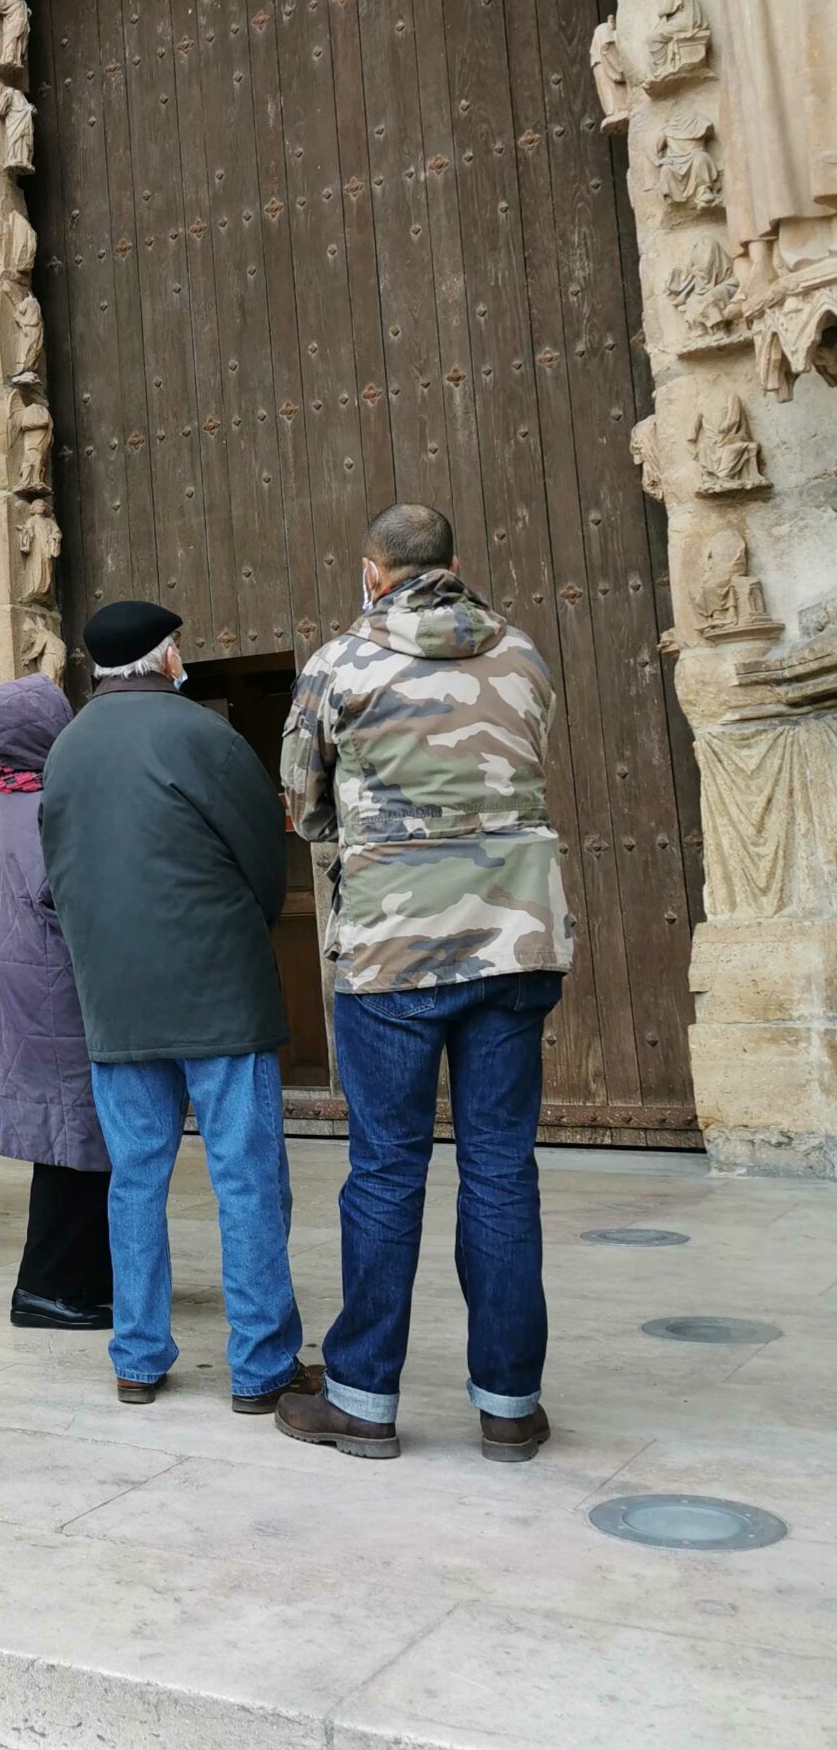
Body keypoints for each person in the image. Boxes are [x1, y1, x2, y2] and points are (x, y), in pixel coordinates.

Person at [275, 505, 574, 1464]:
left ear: (374, 572)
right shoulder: (522, 654)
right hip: (512, 938)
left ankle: (362, 1400)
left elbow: (302, 800)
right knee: (499, 1167)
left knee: (387, 1170)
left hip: (393, 951)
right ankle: (510, 1405)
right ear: (454, 563)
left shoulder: (340, 664)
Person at [41, 602, 312, 1411]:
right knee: (246, 1176)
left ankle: (138, 1357)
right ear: (164, 658)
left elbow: (57, 879)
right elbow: (266, 861)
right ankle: (262, 1368)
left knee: (134, 1178)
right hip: (218, 993)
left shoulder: (66, 749)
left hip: (117, 1004)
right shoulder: (204, 735)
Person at [0, 678, 111, 1330]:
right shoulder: (43, 806)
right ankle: (46, 1289)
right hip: (53, 996)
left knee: (72, 1148)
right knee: (71, 1148)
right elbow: (58, 894)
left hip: (16, 996)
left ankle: (82, 1280)